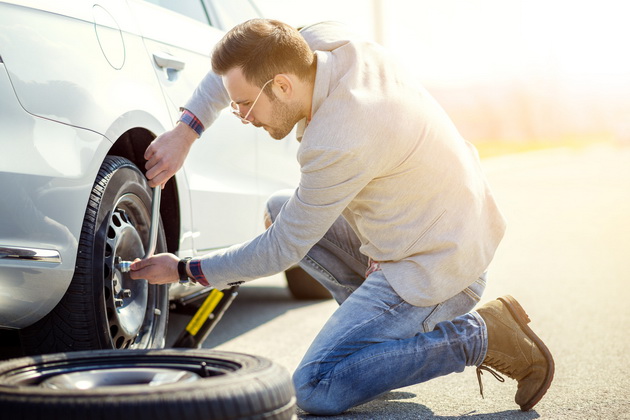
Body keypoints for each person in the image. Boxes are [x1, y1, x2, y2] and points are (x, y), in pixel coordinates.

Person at [130, 19, 554, 415]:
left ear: (282, 86)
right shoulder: (320, 47)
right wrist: (185, 132)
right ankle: (376, 346)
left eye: (244, 106)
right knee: (280, 207)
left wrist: (186, 269)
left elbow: (281, 249)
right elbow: (234, 74)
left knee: (316, 386)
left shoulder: (339, 137)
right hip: (442, 225)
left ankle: (479, 335)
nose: (242, 116)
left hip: (439, 267)